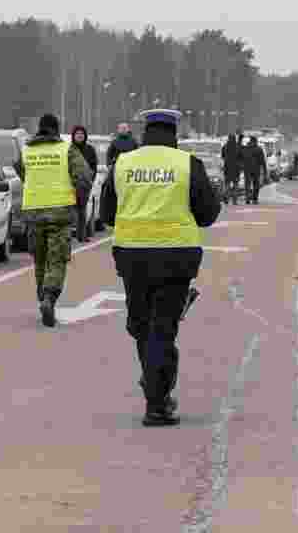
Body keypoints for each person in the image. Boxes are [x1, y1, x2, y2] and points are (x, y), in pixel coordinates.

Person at [99, 109, 220, 426]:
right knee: (163, 328)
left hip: (132, 256)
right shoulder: (187, 164)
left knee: (141, 326)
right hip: (175, 258)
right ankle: (156, 398)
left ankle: (156, 389)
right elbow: (208, 214)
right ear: (174, 133)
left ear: (144, 131)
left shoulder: (122, 164)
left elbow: (108, 215)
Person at [22, 115, 93, 327]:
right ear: (56, 129)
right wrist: (79, 201)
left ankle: (41, 297)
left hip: (33, 213)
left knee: (40, 259)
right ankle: (49, 298)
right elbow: (84, 177)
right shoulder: (67, 150)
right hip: (60, 213)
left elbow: (21, 171)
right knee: (57, 259)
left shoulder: (27, 150)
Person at [70, 125, 98, 242]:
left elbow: (94, 166)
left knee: (82, 210)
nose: (80, 135)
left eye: (82, 133)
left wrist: (90, 180)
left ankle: (82, 235)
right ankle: (72, 234)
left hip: (85, 185)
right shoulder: (69, 150)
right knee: (72, 210)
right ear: (74, 136)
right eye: (77, 134)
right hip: (71, 184)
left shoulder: (90, 149)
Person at [241, 136, 267, 204]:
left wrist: (241, 166)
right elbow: (262, 161)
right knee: (256, 184)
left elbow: (241, 158)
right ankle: (255, 199)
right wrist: (265, 171)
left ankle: (247, 198)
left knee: (247, 184)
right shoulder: (259, 149)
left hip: (247, 169)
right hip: (256, 169)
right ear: (255, 141)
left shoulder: (245, 148)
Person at [221, 133, 243, 205]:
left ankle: (225, 195)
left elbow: (223, 156)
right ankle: (234, 200)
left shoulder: (225, 146)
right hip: (236, 168)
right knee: (235, 184)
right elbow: (241, 156)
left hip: (227, 167)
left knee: (227, 183)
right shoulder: (237, 147)